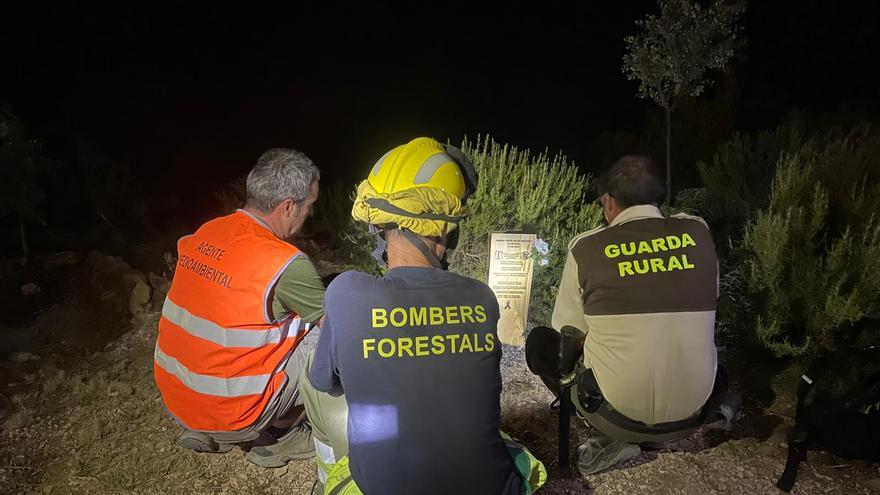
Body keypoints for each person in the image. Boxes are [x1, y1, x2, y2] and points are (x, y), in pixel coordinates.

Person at [299, 137, 546, 495]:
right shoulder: (481, 297)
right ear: (446, 229)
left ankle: (327, 478)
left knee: (312, 372)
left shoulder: (346, 293)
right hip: (493, 488)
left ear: (381, 227)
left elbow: (327, 382)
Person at [526, 155, 726, 475]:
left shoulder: (586, 247)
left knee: (540, 342)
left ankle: (606, 437)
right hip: (693, 413)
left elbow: (569, 330)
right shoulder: (698, 232)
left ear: (608, 202)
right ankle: (661, 430)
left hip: (618, 416)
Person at [153, 148, 326, 468]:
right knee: (327, 339)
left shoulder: (205, 233)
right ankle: (279, 436)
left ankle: (209, 425)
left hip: (178, 401)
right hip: (234, 414)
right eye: (309, 205)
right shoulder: (284, 262)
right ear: (289, 206)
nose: (310, 213)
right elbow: (334, 326)